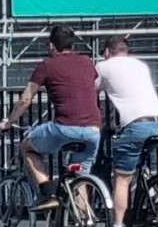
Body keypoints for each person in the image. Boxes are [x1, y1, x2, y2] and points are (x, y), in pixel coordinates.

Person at [6, 23, 103, 207]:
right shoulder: (87, 62)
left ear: (51, 45)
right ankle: (84, 218)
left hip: (65, 127)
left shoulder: (47, 65)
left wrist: (9, 122)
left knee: (27, 147)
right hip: (93, 129)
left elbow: (26, 99)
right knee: (80, 176)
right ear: (72, 45)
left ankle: (48, 193)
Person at [96, 27, 158, 227]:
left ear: (107, 52)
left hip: (136, 125)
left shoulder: (103, 66)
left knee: (121, 179)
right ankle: (153, 194)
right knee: (137, 162)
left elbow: (90, 90)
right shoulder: (140, 65)